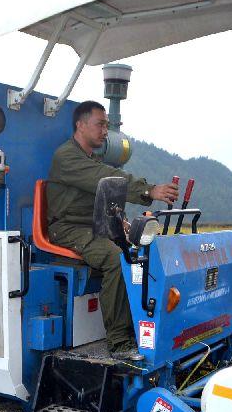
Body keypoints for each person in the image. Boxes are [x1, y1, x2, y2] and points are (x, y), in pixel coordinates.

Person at [47, 101, 179, 356]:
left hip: (94, 226)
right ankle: (120, 342)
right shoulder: (66, 157)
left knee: (145, 252)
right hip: (68, 228)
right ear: (81, 125)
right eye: (100, 124)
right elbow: (104, 179)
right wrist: (148, 189)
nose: (105, 130)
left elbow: (107, 196)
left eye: (107, 125)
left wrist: (121, 223)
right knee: (117, 258)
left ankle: (145, 325)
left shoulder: (89, 158)